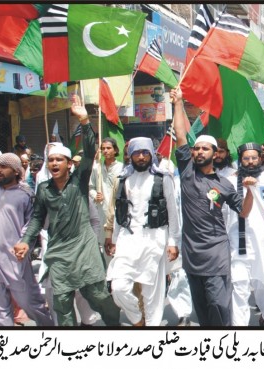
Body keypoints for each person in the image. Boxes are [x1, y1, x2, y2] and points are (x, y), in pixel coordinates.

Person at [14, 95, 121, 326]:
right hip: (59, 252)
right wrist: (25, 240)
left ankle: (116, 327)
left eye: (59, 160)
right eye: (50, 160)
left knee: (98, 296)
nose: (54, 164)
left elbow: (91, 150)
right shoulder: (43, 189)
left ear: (68, 164)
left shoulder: (79, 181)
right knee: (62, 303)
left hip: (84, 248)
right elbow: (36, 219)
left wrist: (84, 122)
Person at [172, 88, 256, 326]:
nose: (199, 152)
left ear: (214, 153)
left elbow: (244, 211)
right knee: (203, 311)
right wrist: (178, 103)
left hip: (217, 255)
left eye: (204, 149)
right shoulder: (187, 173)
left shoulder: (225, 184)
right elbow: (180, 134)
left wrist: (250, 191)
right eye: (196, 148)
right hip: (192, 255)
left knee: (219, 306)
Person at [104, 138, 180, 326]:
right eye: (137, 153)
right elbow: (120, 212)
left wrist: (173, 242)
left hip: (154, 239)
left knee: (151, 294)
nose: (141, 157)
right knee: (118, 286)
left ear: (151, 154)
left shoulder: (163, 178)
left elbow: (173, 212)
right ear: (130, 155)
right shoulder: (122, 179)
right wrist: (113, 240)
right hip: (127, 239)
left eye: (145, 153)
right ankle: (137, 319)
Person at [0, 153, 54, 326]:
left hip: (14, 258)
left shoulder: (26, 194)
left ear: (16, 171)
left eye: (3, 167)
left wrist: (24, 246)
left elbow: (31, 224)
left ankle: (49, 330)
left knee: (30, 303)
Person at [224, 142, 264, 326]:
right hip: (238, 244)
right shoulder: (231, 181)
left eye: (254, 158)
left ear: (261, 159)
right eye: (246, 159)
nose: (250, 162)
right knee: (239, 288)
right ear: (240, 161)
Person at [89, 137, 124, 265]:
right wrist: (94, 195)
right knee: (104, 243)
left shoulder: (121, 168)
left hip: (117, 210)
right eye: (103, 148)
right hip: (101, 210)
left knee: (118, 242)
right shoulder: (96, 168)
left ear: (115, 150)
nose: (105, 151)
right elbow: (90, 187)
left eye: (108, 148)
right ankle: (107, 277)